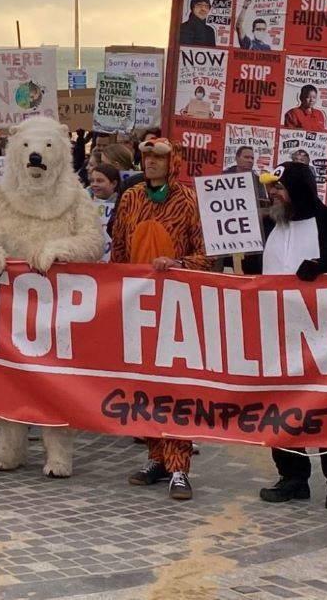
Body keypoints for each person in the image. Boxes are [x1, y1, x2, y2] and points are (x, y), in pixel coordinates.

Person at [252, 162, 327, 510]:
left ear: (299, 190)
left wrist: (325, 269)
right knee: (281, 405)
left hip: (326, 336)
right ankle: (292, 476)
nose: (274, 193)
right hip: (277, 333)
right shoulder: (272, 222)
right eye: (272, 188)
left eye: (280, 187)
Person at [112, 139, 212, 501]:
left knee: (176, 388)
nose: (151, 162)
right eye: (147, 157)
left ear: (173, 162)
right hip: (137, 307)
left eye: (159, 158)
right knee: (145, 388)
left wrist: (180, 264)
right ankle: (155, 457)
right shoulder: (131, 198)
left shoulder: (187, 201)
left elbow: (206, 256)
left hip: (176, 308)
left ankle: (180, 466)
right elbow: (119, 251)